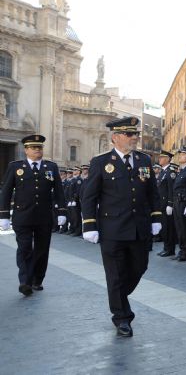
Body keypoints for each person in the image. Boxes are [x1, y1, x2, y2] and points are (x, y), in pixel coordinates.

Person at [81, 117, 163, 337]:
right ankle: (122, 317)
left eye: (135, 134)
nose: (134, 138)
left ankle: (117, 296)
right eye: (129, 134)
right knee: (115, 275)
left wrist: (156, 218)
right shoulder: (101, 162)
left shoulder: (144, 160)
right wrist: (89, 224)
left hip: (139, 227)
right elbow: (89, 196)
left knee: (139, 267)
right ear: (115, 137)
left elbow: (153, 193)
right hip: (112, 228)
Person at [0, 135, 66, 296]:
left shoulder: (51, 167)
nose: (38, 150)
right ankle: (25, 281)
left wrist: (62, 212)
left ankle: (37, 279)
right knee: (24, 249)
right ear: (26, 150)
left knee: (42, 250)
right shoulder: (15, 167)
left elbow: (58, 190)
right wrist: (4, 215)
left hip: (44, 216)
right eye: (34, 148)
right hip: (22, 216)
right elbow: (6, 191)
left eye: (40, 148)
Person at [172, 146, 186, 261]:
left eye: (182, 155)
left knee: (185, 229)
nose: (180, 156)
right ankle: (182, 250)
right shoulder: (182, 171)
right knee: (179, 228)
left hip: (184, 203)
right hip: (177, 202)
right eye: (180, 154)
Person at [157, 150, 177, 258]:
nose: (159, 159)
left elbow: (172, 189)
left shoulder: (170, 172)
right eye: (159, 157)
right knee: (164, 227)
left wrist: (170, 203)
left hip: (167, 204)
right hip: (161, 204)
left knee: (169, 227)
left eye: (162, 157)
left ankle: (170, 249)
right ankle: (166, 247)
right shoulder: (162, 172)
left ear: (168, 159)